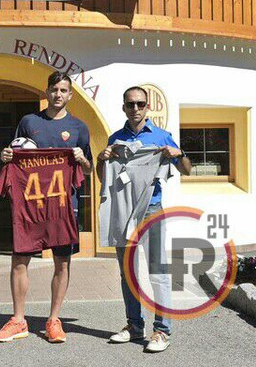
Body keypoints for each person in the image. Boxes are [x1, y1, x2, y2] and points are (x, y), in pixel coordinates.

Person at [0, 72, 92, 343]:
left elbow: (89, 169)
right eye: (54, 89)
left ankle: (54, 320)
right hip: (30, 204)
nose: (58, 94)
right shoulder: (29, 121)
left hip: (62, 204)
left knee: (62, 262)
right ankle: (18, 320)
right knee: (19, 260)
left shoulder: (79, 127)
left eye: (63, 90)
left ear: (70, 94)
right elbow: (15, 154)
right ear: (47, 92)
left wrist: (82, 159)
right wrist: (5, 156)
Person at [96, 86, 192, 353]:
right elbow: (103, 177)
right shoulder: (115, 139)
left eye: (140, 104)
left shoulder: (162, 137)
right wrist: (102, 159)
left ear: (147, 107)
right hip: (123, 211)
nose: (135, 108)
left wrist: (179, 154)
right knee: (128, 273)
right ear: (123, 107)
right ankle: (135, 325)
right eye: (130, 104)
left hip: (151, 210)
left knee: (158, 271)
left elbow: (186, 170)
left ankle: (162, 330)